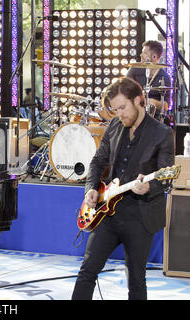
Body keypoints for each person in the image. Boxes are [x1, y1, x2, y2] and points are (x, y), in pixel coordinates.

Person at [71, 77, 174, 300]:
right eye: (115, 109)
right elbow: (98, 162)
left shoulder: (162, 134)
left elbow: (166, 177)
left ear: (139, 100)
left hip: (141, 216)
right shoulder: (115, 125)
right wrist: (91, 188)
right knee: (87, 271)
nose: (120, 114)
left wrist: (149, 187)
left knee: (136, 279)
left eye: (123, 107)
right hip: (108, 213)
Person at [126, 40, 171, 120]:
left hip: (155, 118)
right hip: (134, 114)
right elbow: (124, 90)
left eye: (144, 53)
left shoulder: (165, 77)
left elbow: (166, 106)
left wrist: (151, 101)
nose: (141, 55)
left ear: (154, 57)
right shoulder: (134, 70)